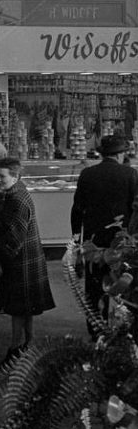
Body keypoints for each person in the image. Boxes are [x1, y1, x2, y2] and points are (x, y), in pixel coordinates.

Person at [70, 135, 137, 333]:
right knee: (121, 283)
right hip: (121, 240)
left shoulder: (87, 174)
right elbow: (135, 210)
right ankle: (119, 330)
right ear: (121, 153)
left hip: (93, 240)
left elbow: (77, 210)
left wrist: (76, 239)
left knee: (93, 285)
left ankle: (95, 329)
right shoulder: (130, 174)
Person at [0, 157, 55, 359]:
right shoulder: (16, 193)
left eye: (1, 176)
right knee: (26, 307)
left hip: (20, 260)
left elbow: (14, 237)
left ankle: (15, 349)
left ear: (15, 175)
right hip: (28, 258)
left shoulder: (16, 199)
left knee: (18, 308)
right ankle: (28, 343)